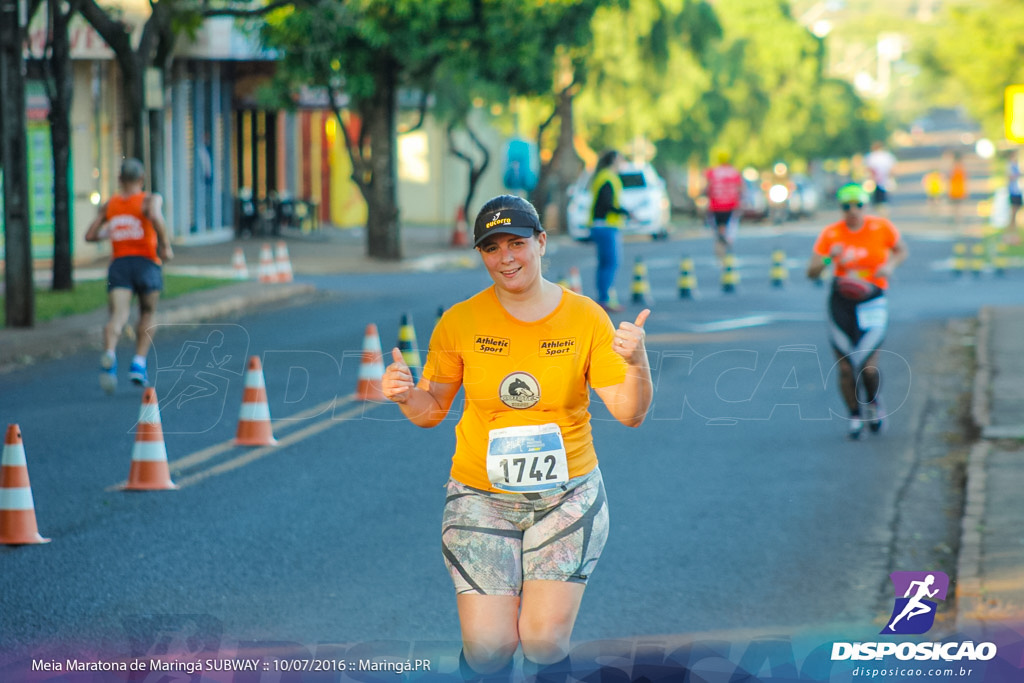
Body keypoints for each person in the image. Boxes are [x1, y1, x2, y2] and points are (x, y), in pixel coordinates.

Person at [381, 194, 653, 681]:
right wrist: (405, 395)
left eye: (517, 243)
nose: (506, 257)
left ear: (541, 243)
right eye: (491, 247)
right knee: (489, 649)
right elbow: (431, 411)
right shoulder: (460, 321)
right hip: (480, 498)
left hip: (566, 498)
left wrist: (637, 362)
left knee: (545, 641)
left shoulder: (586, 317)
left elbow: (630, 412)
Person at [806, 183, 908, 440]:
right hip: (841, 302)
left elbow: (901, 250)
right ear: (840, 209)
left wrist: (890, 266)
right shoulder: (831, 234)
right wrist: (829, 258)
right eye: (846, 207)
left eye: (858, 205)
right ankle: (854, 415)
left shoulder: (881, 227)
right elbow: (811, 272)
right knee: (845, 368)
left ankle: (873, 405)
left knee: (868, 367)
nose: (853, 211)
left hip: (872, 300)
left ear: (866, 206)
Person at [85, 158, 173, 393]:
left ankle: (110, 354)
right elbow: (155, 216)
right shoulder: (148, 200)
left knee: (118, 315)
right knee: (147, 312)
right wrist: (165, 244)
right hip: (146, 263)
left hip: (120, 264)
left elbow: (90, 235)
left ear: (120, 180)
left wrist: (112, 232)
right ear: (141, 179)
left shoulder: (110, 205)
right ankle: (138, 363)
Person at [588, 150, 631, 312]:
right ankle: (605, 299)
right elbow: (606, 203)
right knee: (611, 263)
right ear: (614, 160)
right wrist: (624, 212)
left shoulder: (603, 176)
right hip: (606, 226)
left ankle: (603, 298)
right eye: (621, 158)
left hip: (600, 226)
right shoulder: (608, 177)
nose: (623, 162)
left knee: (604, 264)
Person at [704, 149, 743, 261]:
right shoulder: (734, 172)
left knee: (718, 231)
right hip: (731, 205)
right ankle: (727, 250)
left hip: (715, 206)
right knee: (729, 230)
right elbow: (740, 188)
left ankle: (720, 255)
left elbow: (707, 188)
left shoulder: (712, 172)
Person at [864, 141, 897, 215]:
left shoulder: (871, 156)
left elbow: (869, 169)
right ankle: (883, 215)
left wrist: (871, 178)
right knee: (885, 201)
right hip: (886, 181)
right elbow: (892, 169)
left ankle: (881, 216)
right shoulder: (888, 156)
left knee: (878, 202)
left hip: (876, 182)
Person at [947, 152, 968, 226]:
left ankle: (956, 220)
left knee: (956, 207)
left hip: (955, 190)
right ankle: (957, 220)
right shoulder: (961, 168)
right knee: (958, 206)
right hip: (958, 190)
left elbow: (950, 178)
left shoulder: (954, 168)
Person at [1007, 149, 1021, 241]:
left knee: (1015, 213)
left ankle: (1013, 231)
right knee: (1013, 212)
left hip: (1018, 191)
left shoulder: (1017, 165)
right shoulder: (1010, 165)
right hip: (1013, 191)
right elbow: (1010, 177)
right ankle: (1011, 232)